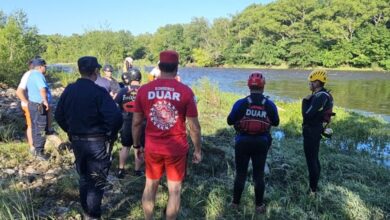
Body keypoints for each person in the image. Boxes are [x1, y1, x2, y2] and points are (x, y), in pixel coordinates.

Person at [132, 50, 202, 220]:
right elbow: (194, 127)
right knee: (175, 190)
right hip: (176, 149)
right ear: (177, 68)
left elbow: (136, 123)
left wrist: (136, 146)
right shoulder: (186, 91)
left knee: (150, 186)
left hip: (153, 148)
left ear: (159, 67)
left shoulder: (144, 90)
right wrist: (198, 150)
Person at [55, 56, 123, 219]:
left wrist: (70, 131)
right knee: (96, 181)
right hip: (97, 142)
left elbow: (59, 115)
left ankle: (87, 212)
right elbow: (116, 118)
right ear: (95, 71)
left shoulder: (69, 90)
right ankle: (92, 215)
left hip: (78, 141)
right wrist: (110, 134)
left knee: (84, 177)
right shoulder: (99, 91)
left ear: (80, 70)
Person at [227, 72, 279, 213]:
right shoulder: (269, 104)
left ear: (249, 86)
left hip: (242, 141)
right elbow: (276, 122)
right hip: (261, 142)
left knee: (240, 174)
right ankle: (259, 206)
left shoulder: (241, 103)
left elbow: (230, 121)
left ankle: (235, 204)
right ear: (263, 87)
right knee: (258, 174)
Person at [302, 69, 334, 194]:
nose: (309, 84)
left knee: (311, 160)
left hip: (312, 131)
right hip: (316, 129)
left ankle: (312, 190)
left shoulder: (320, 96)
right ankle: (314, 187)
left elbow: (307, 115)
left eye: (311, 82)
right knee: (314, 158)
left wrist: (305, 101)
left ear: (317, 82)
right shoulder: (323, 95)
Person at [115, 68, 145, 178]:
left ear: (130, 79)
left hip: (126, 121)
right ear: (140, 78)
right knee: (139, 147)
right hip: (141, 122)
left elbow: (116, 104)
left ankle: (120, 169)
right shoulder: (144, 90)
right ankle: (137, 171)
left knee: (125, 146)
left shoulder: (123, 90)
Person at [26, 58, 52, 160]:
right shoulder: (39, 75)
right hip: (39, 105)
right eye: (45, 66)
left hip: (32, 104)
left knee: (34, 127)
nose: (46, 68)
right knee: (41, 127)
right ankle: (40, 152)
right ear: (41, 67)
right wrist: (45, 101)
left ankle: (35, 149)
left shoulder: (31, 75)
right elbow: (42, 88)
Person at [15, 58, 35, 152]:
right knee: (31, 125)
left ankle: (35, 145)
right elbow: (19, 91)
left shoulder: (33, 74)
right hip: (29, 105)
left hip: (32, 104)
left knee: (34, 125)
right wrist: (27, 103)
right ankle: (32, 147)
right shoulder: (29, 75)